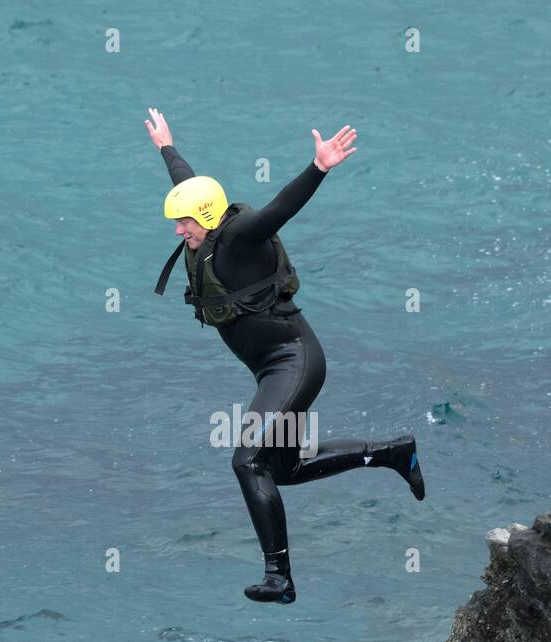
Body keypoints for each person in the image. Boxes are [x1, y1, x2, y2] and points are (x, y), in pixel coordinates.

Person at [146, 107, 424, 604]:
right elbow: (188, 182)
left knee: (248, 460)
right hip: (272, 371)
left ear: (206, 219)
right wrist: (167, 146)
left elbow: (280, 208)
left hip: (293, 364)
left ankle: (280, 578)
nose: (177, 231)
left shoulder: (240, 236)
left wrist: (318, 167)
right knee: (285, 469)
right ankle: (391, 452)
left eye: (182, 222)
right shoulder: (205, 233)